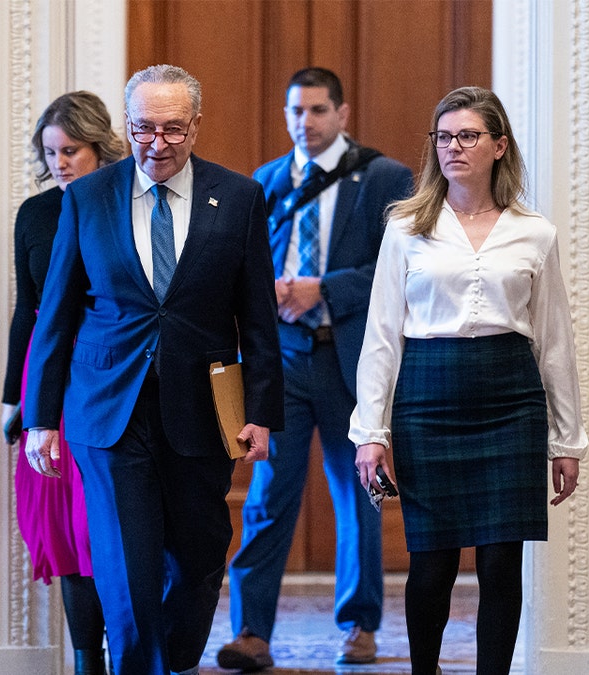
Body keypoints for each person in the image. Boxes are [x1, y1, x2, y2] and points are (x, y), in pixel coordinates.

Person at [23, 64, 285, 675]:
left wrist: (264, 414)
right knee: (126, 567)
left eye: (172, 130)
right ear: (128, 126)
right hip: (108, 409)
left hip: (200, 410)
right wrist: (41, 417)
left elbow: (258, 318)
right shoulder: (90, 196)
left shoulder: (239, 196)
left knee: (199, 557)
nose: (156, 144)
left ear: (195, 125)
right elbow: (56, 313)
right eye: (143, 129)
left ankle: (174, 661)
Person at [349, 86, 588, 675]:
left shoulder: (535, 232)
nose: (453, 147)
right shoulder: (406, 226)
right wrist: (371, 432)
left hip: (511, 398)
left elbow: (554, 340)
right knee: (432, 562)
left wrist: (567, 440)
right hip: (427, 398)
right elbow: (382, 333)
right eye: (444, 136)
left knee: (503, 563)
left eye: (468, 136)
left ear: (499, 146)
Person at [218, 67, 413, 671]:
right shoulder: (266, 181)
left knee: (358, 496)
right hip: (280, 364)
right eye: (296, 111)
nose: (306, 122)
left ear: (343, 113)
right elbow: (243, 267)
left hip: (347, 360)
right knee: (267, 497)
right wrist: (269, 289)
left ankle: (358, 625)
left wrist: (320, 288)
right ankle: (252, 631)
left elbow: (397, 268)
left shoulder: (385, 177)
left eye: (318, 110)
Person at [3, 90, 125, 675]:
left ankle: (128, 652)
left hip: (105, 374)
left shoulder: (126, 204)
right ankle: (85, 662)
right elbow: (27, 310)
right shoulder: (35, 214)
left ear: (100, 148)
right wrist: (14, 400)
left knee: (101, 524)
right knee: (60, 530)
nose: (61, 163)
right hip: (45, 376)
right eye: (51, 152)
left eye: (72, 150)